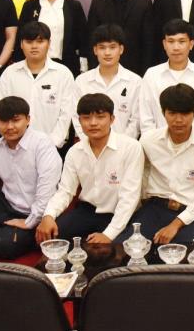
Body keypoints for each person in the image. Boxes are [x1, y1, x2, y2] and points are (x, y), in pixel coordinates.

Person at [36, 92, 144, 244]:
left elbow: (129, 197)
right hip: (87, 211)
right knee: (51, 238)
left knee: (107, 251)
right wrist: (48, 215)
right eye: (86, 118)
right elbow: (65, 191)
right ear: (79, 120)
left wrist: (109, 235)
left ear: (112, 119)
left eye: (100, 117)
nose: (93, 123)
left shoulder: (131, 147)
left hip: (121, 214)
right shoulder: (75, 151)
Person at [0, 96, 63, 258]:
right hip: (4, 205)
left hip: (35, 211)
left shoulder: (43, 145)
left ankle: (2, 235)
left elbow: (47, 191)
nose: (9, 127)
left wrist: (30, 222)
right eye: (3, 121)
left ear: (28, 119)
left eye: (16, 120)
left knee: (6, 244)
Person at [134, 83, 194, 245]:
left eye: (185, 113)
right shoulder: (148, 140)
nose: (178, 120)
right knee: (126, 247)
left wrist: (176, 224)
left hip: (191, 211)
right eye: (172, 113)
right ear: (163, 112)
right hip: (154, 208)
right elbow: (139, 179)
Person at [0, 21, 76, 151]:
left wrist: (52, 144)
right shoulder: (9, 73)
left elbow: (66, 114)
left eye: (40, 41)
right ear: (21, 44)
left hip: (53, 147)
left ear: (49, 43)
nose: (34, 46)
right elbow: (2, 111)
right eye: (29, 42)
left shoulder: (63, 74)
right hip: (15, 146)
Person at [137, 19, 194, 134]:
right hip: (158, 142)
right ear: (164, 44)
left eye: (181, 41)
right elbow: (146, 118)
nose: (176, 47)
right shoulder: (152, 75)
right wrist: (154, 141)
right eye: (171, 41)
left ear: (191, 44)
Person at [86, 0, 155, 75]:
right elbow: (91, 40)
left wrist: (145, 73)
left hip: (136, 70)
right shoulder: (97, 3)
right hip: (104, 69)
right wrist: (93, 69)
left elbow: (149, 44)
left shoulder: (144, 3)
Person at [70, 24, 141, 140]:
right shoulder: (81, 81)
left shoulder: (135, 82)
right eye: (102, 48)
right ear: (95, 50)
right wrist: (90, 142)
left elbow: (136, 120)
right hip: (89, 145)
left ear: (121, 49)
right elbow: (76, 116)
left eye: (112, 47)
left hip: (124, 146)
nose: (107, 53)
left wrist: (122, 145)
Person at [18, 0, 86, 74]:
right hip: (35, 66)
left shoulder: (74, 6)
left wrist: (84, 67)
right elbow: (21, 38)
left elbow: (83, 39)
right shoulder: (29, 6)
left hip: (67, 66)